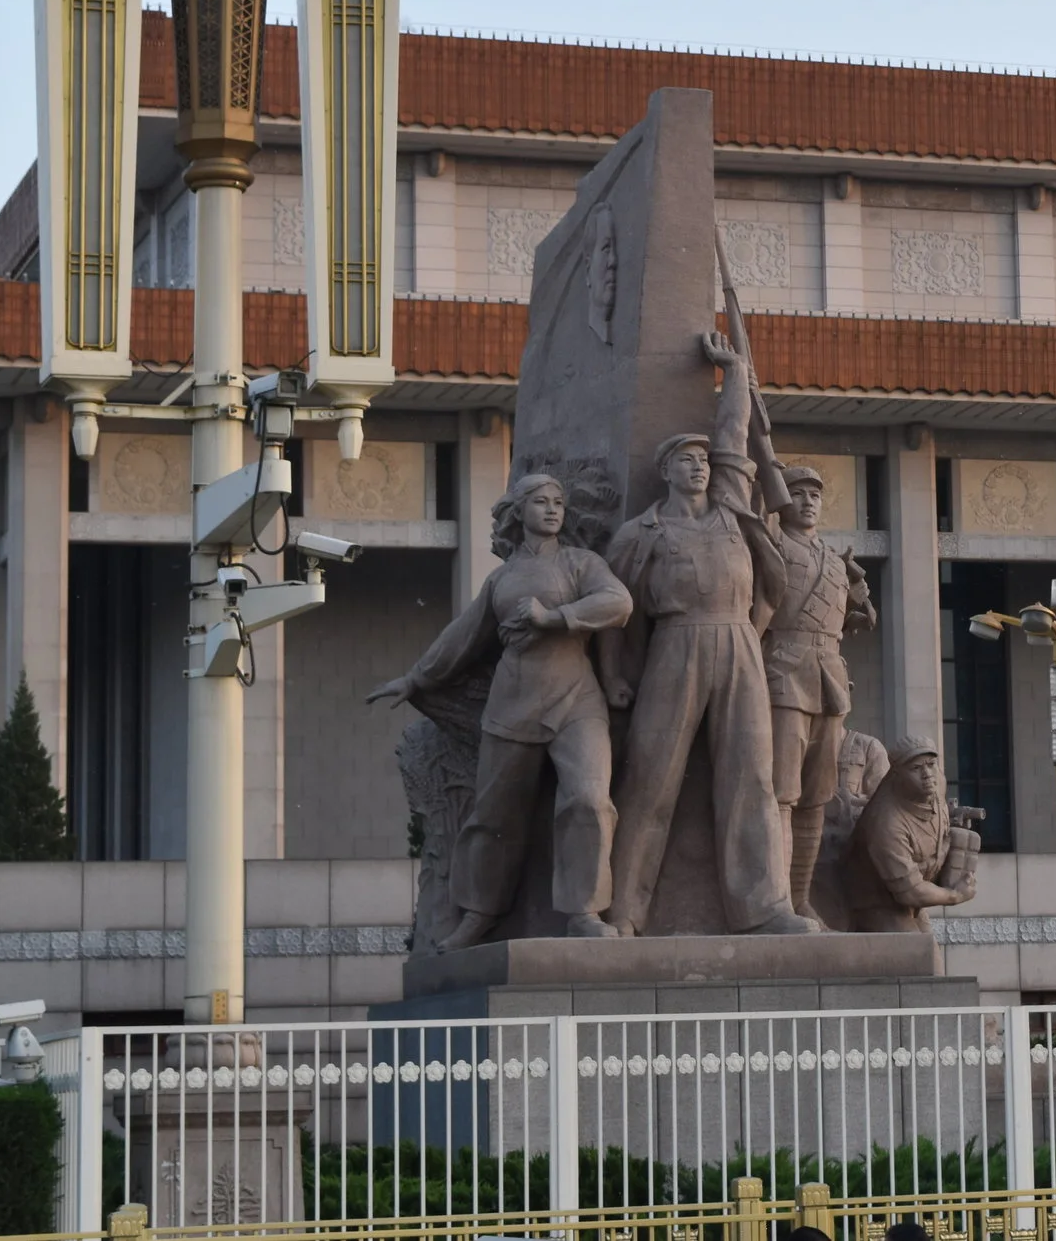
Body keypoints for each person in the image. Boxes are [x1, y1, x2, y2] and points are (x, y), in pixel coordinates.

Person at [599, 331, 814, 936]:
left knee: (753, 778)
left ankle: (764, 907)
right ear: (665, 472)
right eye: (685, 460)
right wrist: (613, 675)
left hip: (739, 644)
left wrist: (735, 371)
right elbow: (613, 611)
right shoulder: (640, 534)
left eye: (702, 460)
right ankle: (624, 910)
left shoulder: (731, 509)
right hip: (676, 646)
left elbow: (733, 435)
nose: (699, 465)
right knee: (650, 779)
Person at [369, 473, 633, 948]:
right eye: (540, 502)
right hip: (513, 702)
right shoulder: (502, 578)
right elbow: (463, 636)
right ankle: (479, 913)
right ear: (519, 512)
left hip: (577, 699)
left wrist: (554, 618)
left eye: (558, 503)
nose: (552, 510)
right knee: (494, 814)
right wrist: (415, 678)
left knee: (590, 801)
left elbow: (618, 602)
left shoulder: (582, 563)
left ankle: (585, 910)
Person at [759, 464, 876, 922]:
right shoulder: (771, 544)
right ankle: (775, 901)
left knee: (816, 796)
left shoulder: (834, 558)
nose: (808, 502)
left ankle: (800, 897)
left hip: (829, 678)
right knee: (782, 793)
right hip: (784, 671)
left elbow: (851, 617)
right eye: (798, 493)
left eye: (815, 495)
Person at [842, 735, 979, 934]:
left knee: (929, 946)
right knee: (913, 947)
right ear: (897, 774)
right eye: (915, 768)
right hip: (876, 900)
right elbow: (910, 891)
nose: (927, 775)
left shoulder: (937, 783)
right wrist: (955, 895)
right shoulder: (886, 822)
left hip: (912, 897)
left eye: (931, 764)